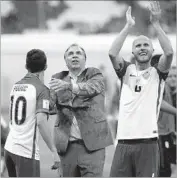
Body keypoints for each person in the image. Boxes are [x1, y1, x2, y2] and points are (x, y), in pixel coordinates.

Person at [108, 1, 173, 177]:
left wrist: (156, 24)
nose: (142, 48)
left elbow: (169, 53)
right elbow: (112, 53)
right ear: (133, 51)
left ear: (152, 50)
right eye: (138, 45)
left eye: (146, 45)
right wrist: (128, 26)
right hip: (123, 143)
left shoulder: (158, 73)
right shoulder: (125, 70)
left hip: (148, 144)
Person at [49, 43, 113, 177]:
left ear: (85, 59)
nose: (74, 56)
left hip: (93, 145)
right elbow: (50, 106)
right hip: (66, 146)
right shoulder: (57, 78)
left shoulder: (94, 74)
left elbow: (91, 88)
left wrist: (68, 86)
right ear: (65, 61)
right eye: (70, 54)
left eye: (78, 53)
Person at [4, 49, 60, 177]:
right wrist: (54, 150)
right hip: (26, 152)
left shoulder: (15, 86)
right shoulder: (41, 89)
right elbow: (40, 121)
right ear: (45, 67)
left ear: (26, 66)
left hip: (9, 148)